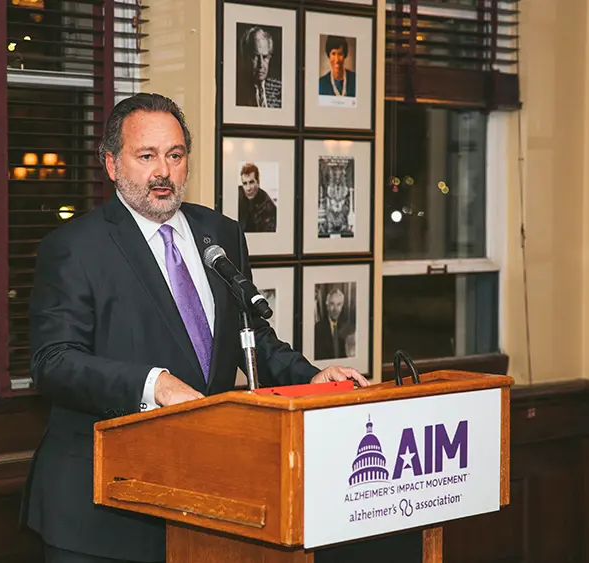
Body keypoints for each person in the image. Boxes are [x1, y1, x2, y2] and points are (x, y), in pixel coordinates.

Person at [21, 93, 368, 563]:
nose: (162, 171)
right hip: (101, 510)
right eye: (146, 156)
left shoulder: (220, 233)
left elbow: (252, 338)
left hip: (205, 500)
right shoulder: (76, 248)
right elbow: (54, 363)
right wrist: (154, 384)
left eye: (175, 155)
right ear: (111, 164)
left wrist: (310, 377)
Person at [236, 26, 282, 108]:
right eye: (255, 57)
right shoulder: (236, 92)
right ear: (245, 57)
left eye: (265, 57)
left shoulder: (280, 91)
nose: (261, 65)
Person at [238, 162, 277, 232]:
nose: (248, 188)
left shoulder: (268, 207)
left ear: (258, 182)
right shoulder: (237, 194)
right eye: (245, 183)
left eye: (251, 182)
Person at [314, 287, 351, 360]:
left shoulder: (346, 328)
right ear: (327, 306)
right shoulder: (318, 329)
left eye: (338, 304)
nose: (335, 309)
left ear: (342, 306)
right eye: (332, 304)